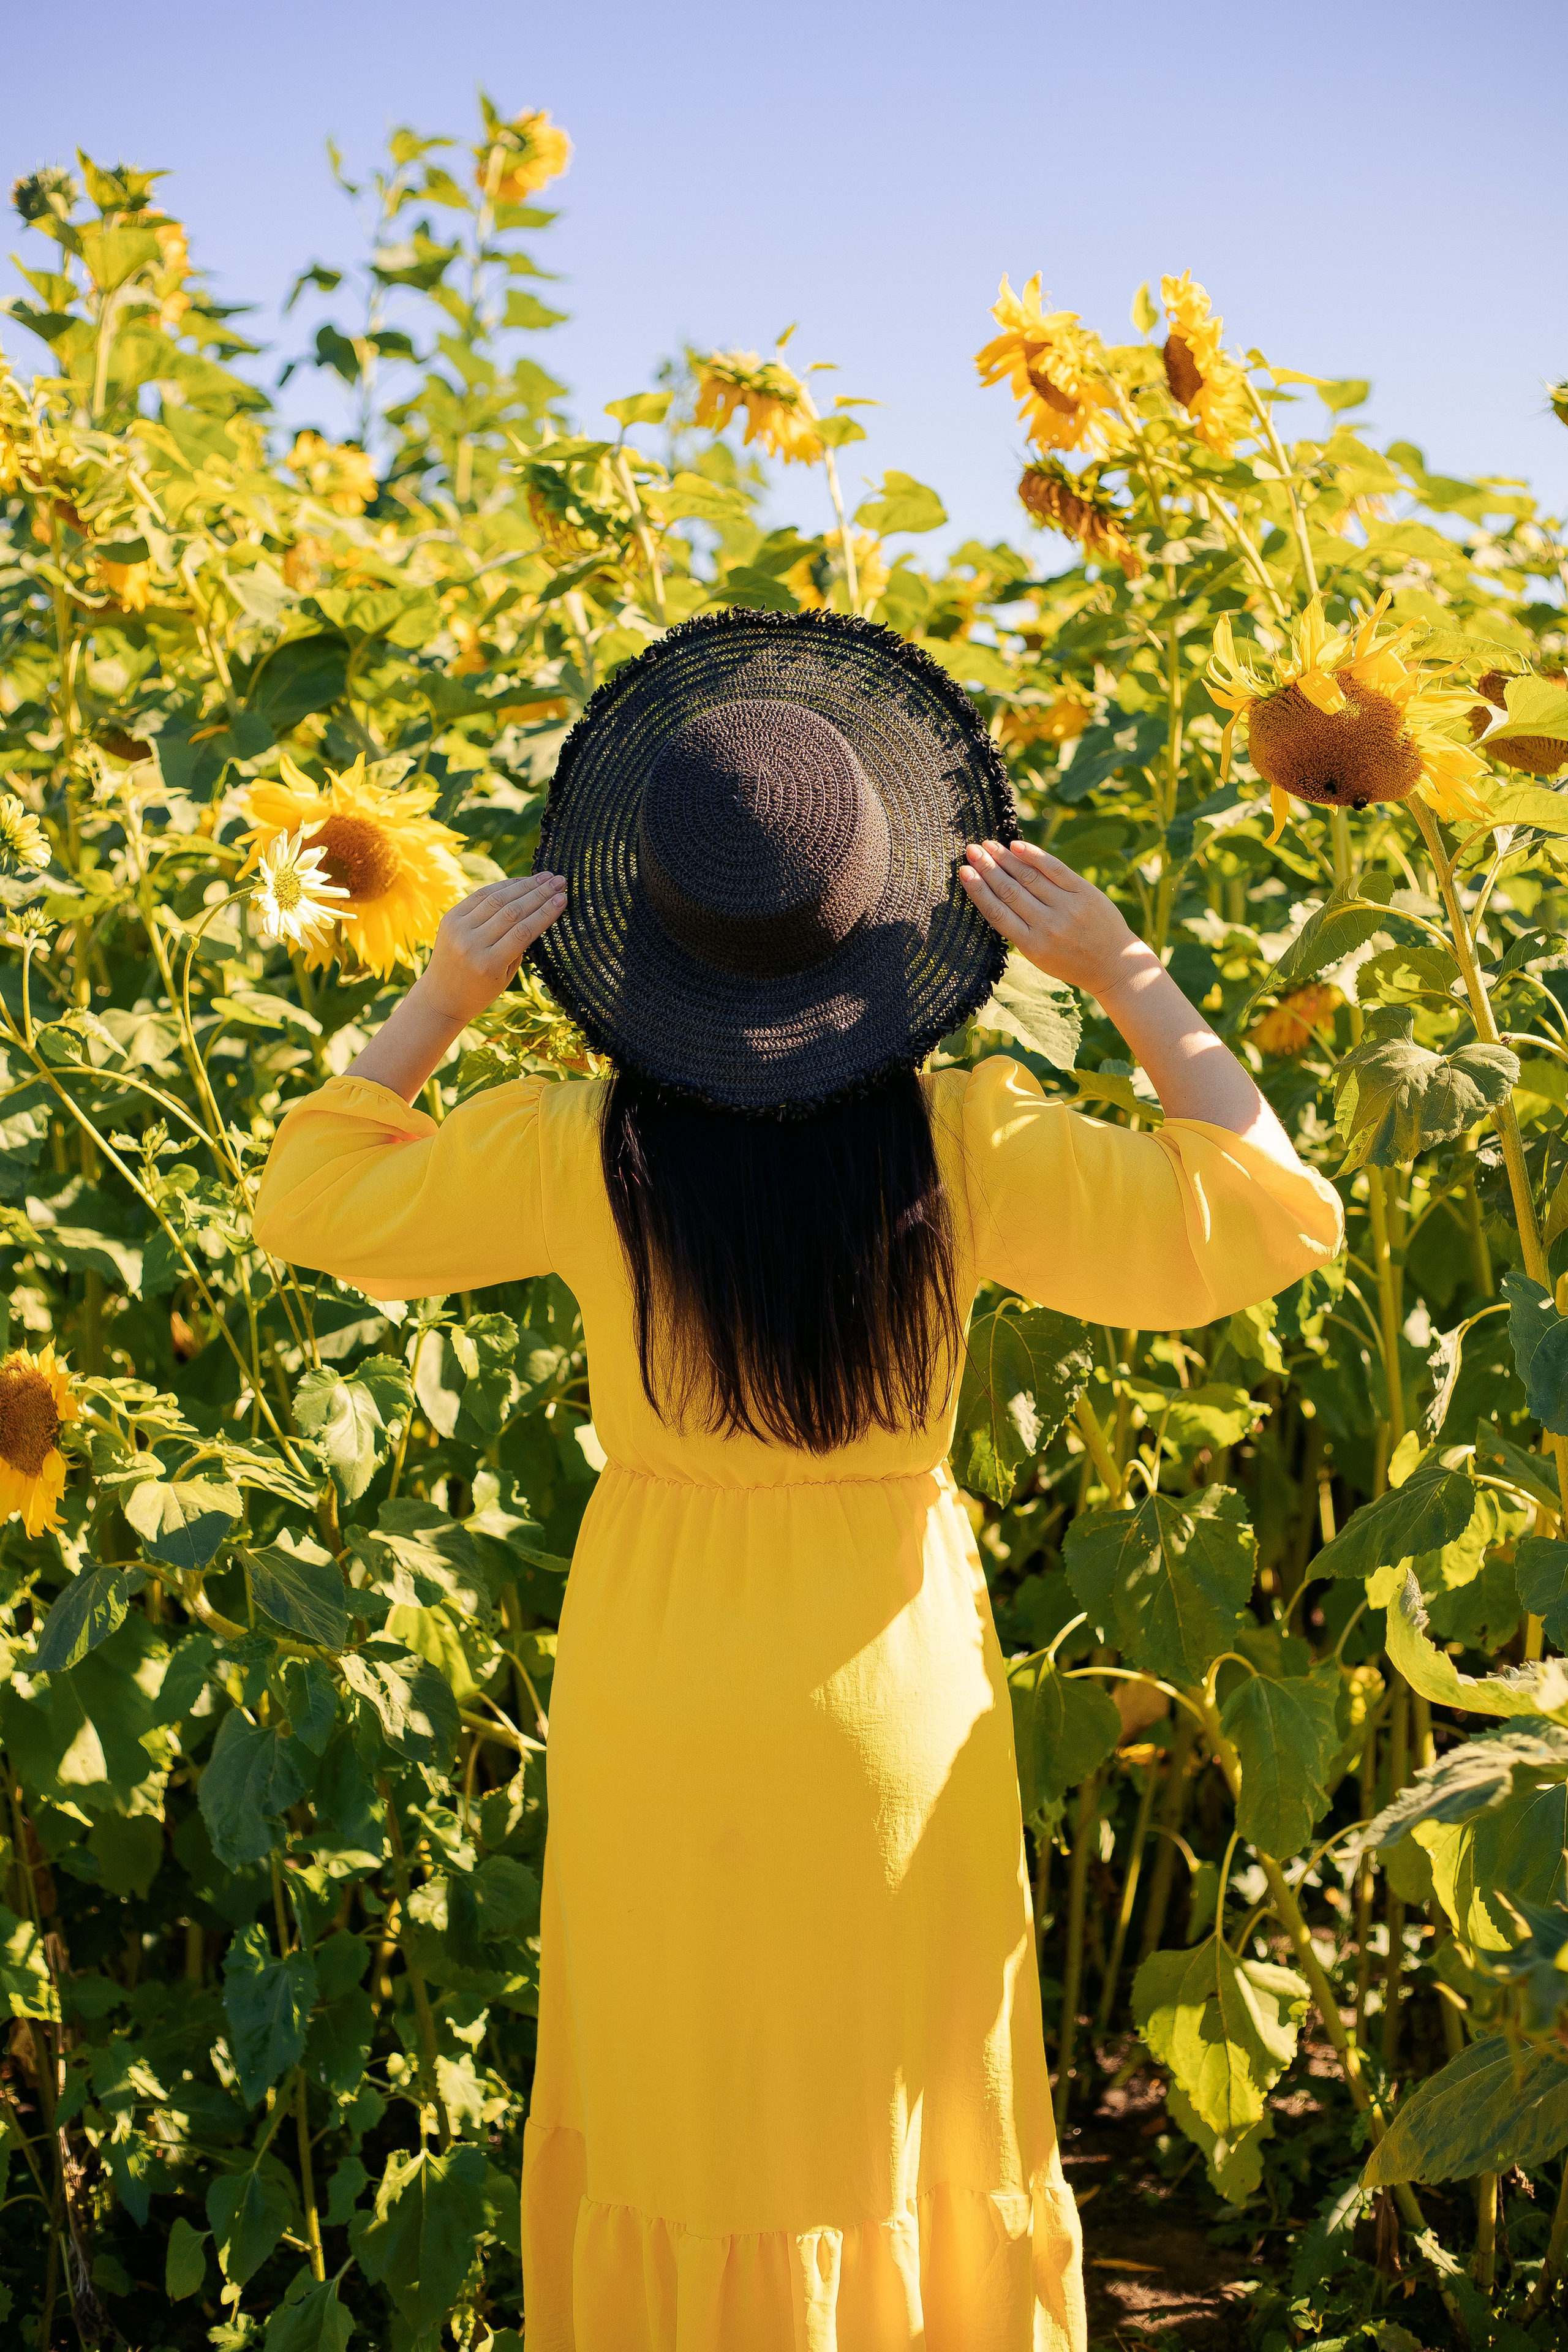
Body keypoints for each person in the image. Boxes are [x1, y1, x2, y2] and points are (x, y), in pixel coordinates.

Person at [255, 611, 1341, 2351]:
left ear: (645, 938)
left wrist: (443, 995)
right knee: (893, 2099)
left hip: (660, 1675)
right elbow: (1279, 1217)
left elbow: (303, 1202)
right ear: (879, 917)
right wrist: (1131, 974)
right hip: (887, 1685)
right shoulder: (967, 1142)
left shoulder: (573, 1151)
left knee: (684, 2101)